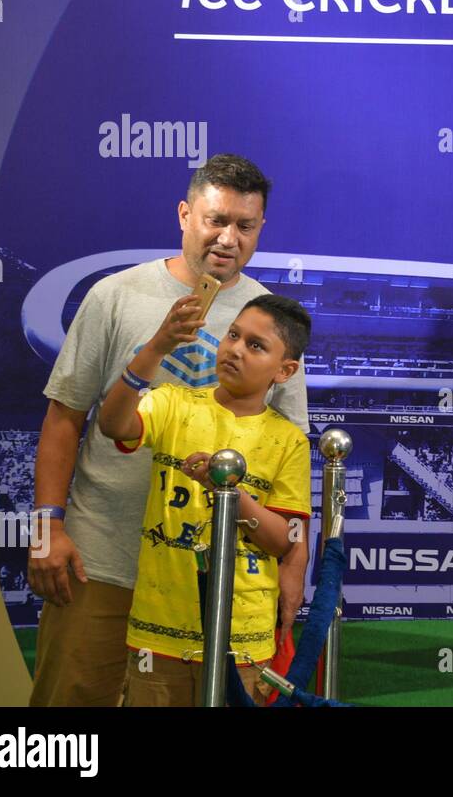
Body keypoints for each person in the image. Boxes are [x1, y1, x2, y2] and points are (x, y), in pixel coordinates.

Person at [26, 154, 309, 706]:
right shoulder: (116, 295)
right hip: (101, 559)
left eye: (244, 226)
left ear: (260, 230)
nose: (228, 238)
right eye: (215, 220)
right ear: (184, 214)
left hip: (204, 578)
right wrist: (46, 528)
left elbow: (289, 458)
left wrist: (292, 568)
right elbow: (65, 417)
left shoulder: (270, 320)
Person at [99, 293, 311, 705]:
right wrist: (158, 345)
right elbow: (112, 424)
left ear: (284, 370)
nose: (234, 349)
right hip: (158, 628)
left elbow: (284, 538)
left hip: (244, 636)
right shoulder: (172, 403)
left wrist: (227, 491)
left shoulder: (289, 441)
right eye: (234, 335)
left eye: (255, 345)